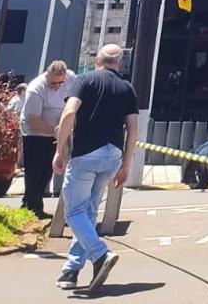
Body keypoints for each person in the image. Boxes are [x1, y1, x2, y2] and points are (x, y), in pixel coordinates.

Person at [53, 44, 138, 293]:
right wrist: (126, 164)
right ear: (119, 64)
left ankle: (100, 254)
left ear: (97, 60)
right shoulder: (127, 88)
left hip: (86, 153)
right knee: (88, 211)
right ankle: (72, 268)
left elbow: (69, 113)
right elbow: (133, 129)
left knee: (74, 212)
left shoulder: (85, 80)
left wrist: (60, 149)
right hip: (113, 155)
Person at [20, 60, 72, 217]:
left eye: (60, 82)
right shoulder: (36, 88)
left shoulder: (70, 78)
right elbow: (33, 119)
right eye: (53, 83)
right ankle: (30, 205)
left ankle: (37, 205)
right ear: (47, 76)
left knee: (47, 171)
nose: (57, 86)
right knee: (34, 171)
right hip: (35, 134)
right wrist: (55, 132)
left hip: (54, 133)